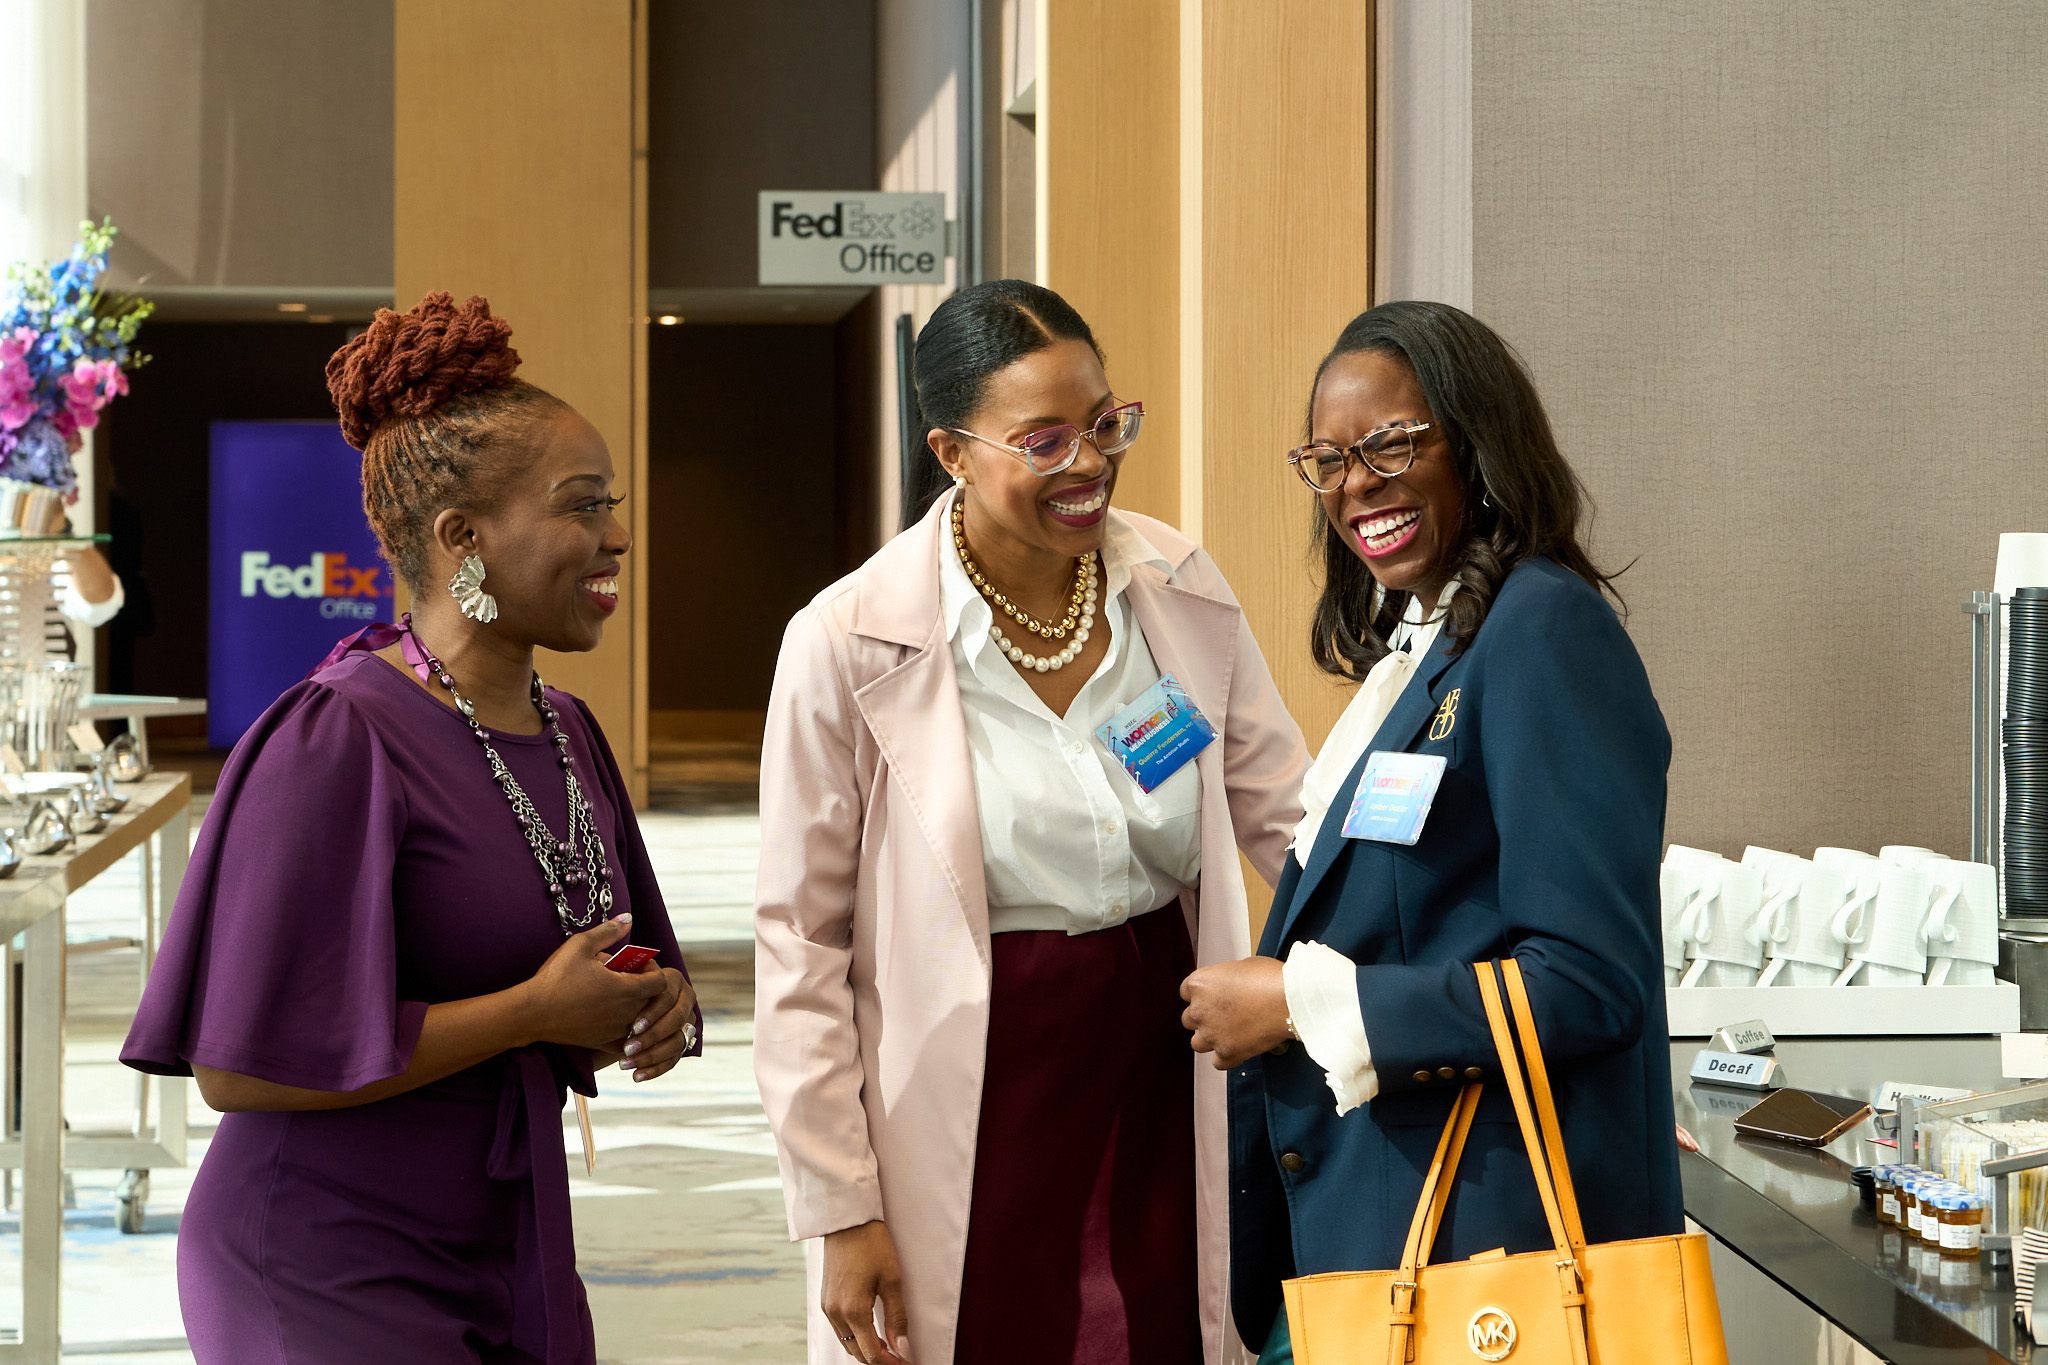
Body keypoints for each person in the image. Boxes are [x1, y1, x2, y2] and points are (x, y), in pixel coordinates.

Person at [121, 292, 701, 1365]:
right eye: (581, 507)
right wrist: (531, 1011)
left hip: (504, 1238)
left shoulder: (565, 729)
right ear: (461, 538)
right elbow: (238, 1071)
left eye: (609, 504)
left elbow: (606, 954)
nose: (615, 535)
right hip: (321, 1256)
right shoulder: (340, 735)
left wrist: (645, 1006)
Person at [754, 279, 1309, 1365]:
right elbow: (799, 942)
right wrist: (837, 1205)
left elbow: (1291, 819)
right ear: (952, 453)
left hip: (1167, 1042)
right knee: (994, 1329)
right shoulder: (846, 639)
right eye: (1043, 440)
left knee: (1155, 1326)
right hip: (975, 1071)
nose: (1089, 464)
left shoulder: (1175, 586)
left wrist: (1424, 992)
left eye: (1106, 426)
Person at [1177, 301, 1682, 1361]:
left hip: (1487, 1260)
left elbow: (1590, 983)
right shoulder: (1434, 644)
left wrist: (1299, 1003)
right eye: (1327, 459)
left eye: (1392, 444)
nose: (1357, 483)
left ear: (1479, 443)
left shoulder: (1543, 632)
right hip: (1385, 1228)